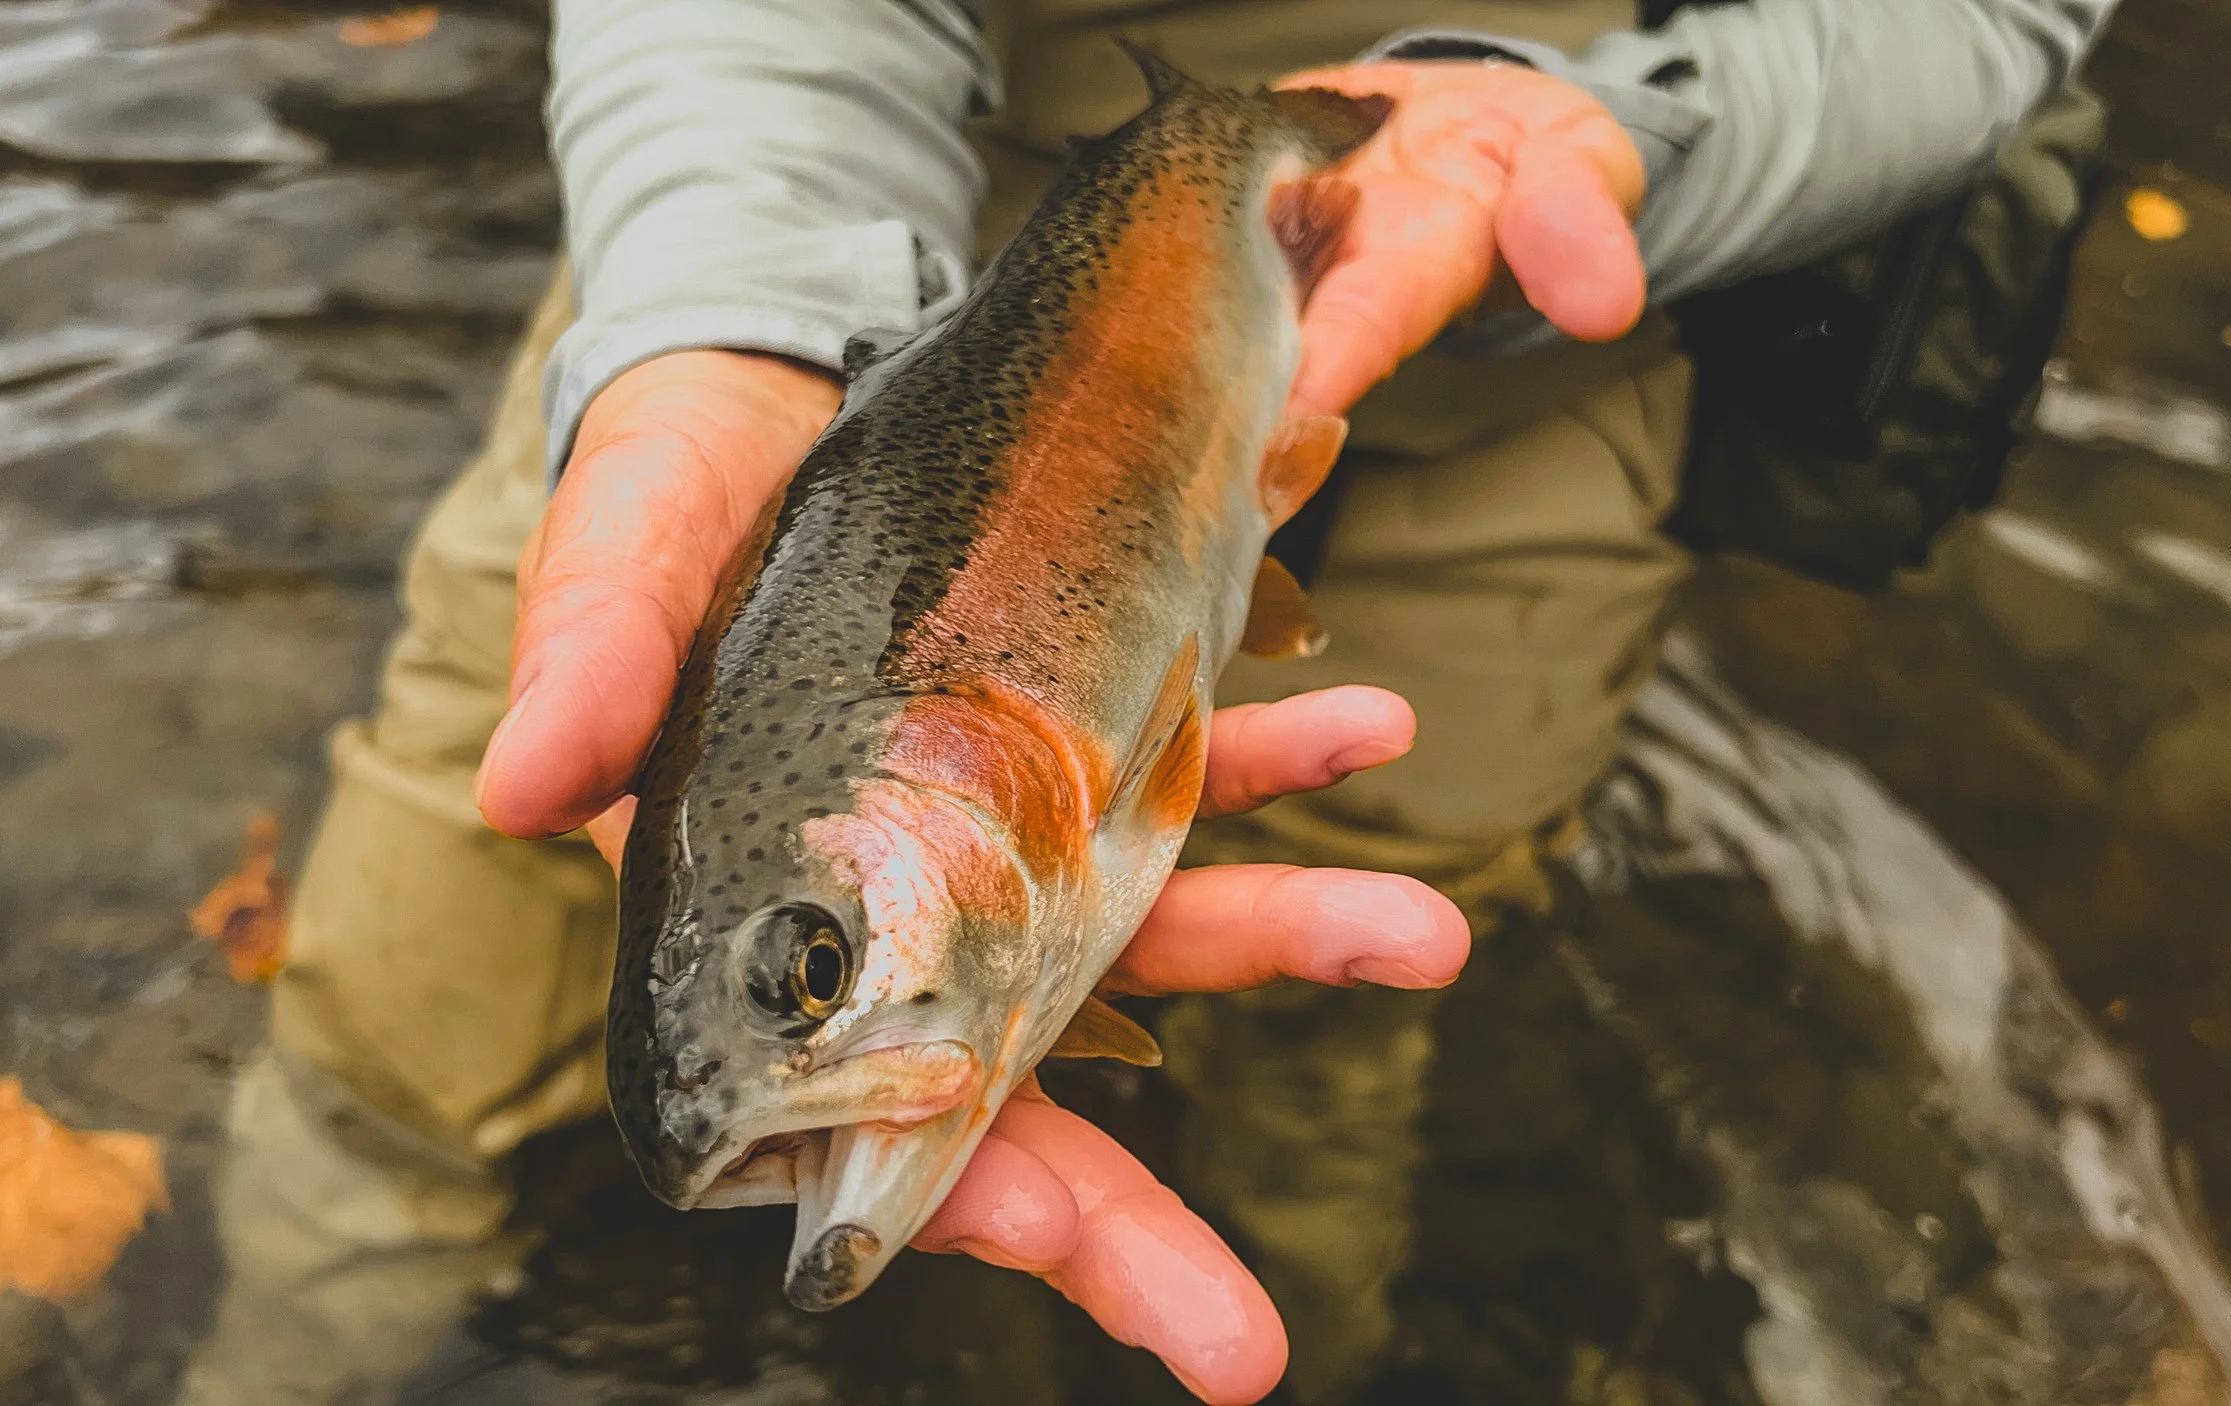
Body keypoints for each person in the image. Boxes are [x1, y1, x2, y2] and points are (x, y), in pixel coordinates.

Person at [178, 0, 2123, 1402]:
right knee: (391, 1036)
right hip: (791, 302)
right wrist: (731, 305)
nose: (810, 1006)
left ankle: (1323, 1312)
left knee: (1347, 1028)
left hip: (1557, 300)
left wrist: (1638, 135)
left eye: (809, 971)